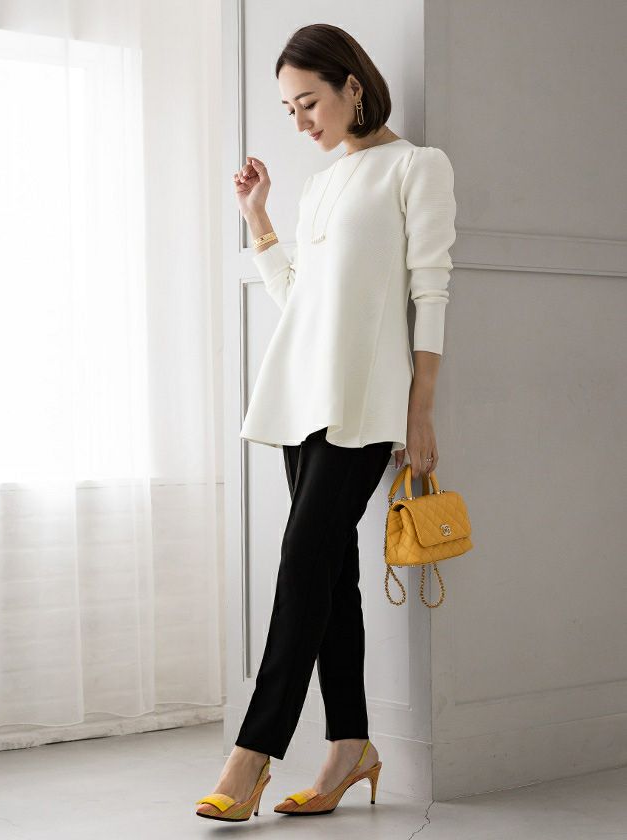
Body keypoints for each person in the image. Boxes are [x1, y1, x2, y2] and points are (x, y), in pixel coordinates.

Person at [196, 22, 456, 821]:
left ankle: (252, 755)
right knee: (330, 576)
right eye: (288, 109)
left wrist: (420, 413)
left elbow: (431, 290)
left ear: (352, 85)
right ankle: (352, 747)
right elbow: (298, 301)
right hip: (301, 398)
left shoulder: (416, 167)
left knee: (302, 560)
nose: (301, 120)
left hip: (368, 405)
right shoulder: (318, 185)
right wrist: (258, 218)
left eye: (309, 101)